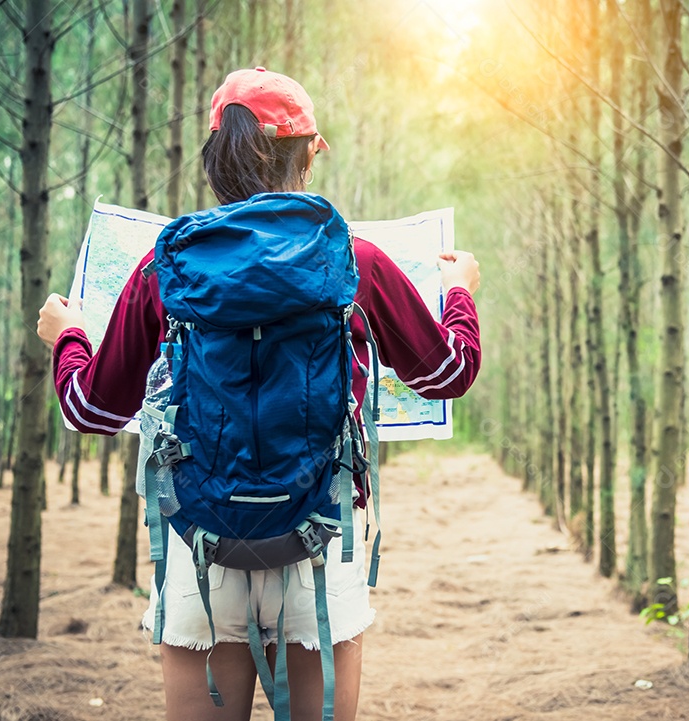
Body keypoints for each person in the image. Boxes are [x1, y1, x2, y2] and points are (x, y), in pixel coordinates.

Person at [37, 66, 482, 721]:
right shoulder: (354, 259)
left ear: (216, 159)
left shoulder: (167, 264)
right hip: (319, 546)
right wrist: (460, 291)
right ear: (306, 155)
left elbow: (91, 407)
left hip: (201, 547)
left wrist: (68, 337)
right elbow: (447, 374)